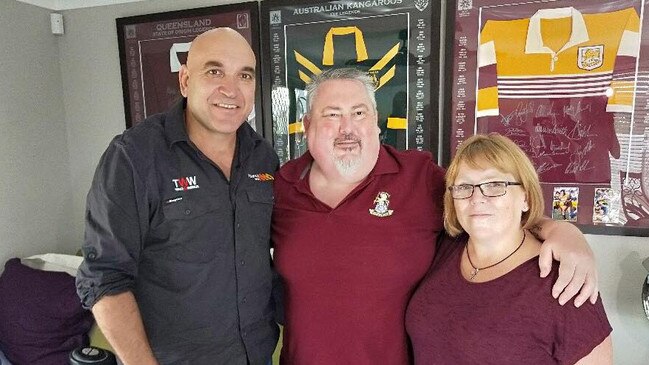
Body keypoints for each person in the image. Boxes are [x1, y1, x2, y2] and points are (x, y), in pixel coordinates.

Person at [272, 67, 600, 365]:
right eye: (332, 114)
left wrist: (560, 230)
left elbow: (484, 203)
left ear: (376, 122)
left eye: (359, 113)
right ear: (308, 125)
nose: (348, 128)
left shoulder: (419, 178)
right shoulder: (280, 188)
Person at [76, 28, 279, 365]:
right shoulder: (134, 157)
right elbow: (104, 277)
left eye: (244, 75)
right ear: (185, 80)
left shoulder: (263, 157)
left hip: (257, 355)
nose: (231, 88)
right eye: (214, 71)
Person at [406, 134, 612, 364]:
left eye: (495, 185)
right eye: (464, 186)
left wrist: (566, 232)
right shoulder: (446, 248)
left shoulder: (564, 281)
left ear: (525, 197)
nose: (477, 198)